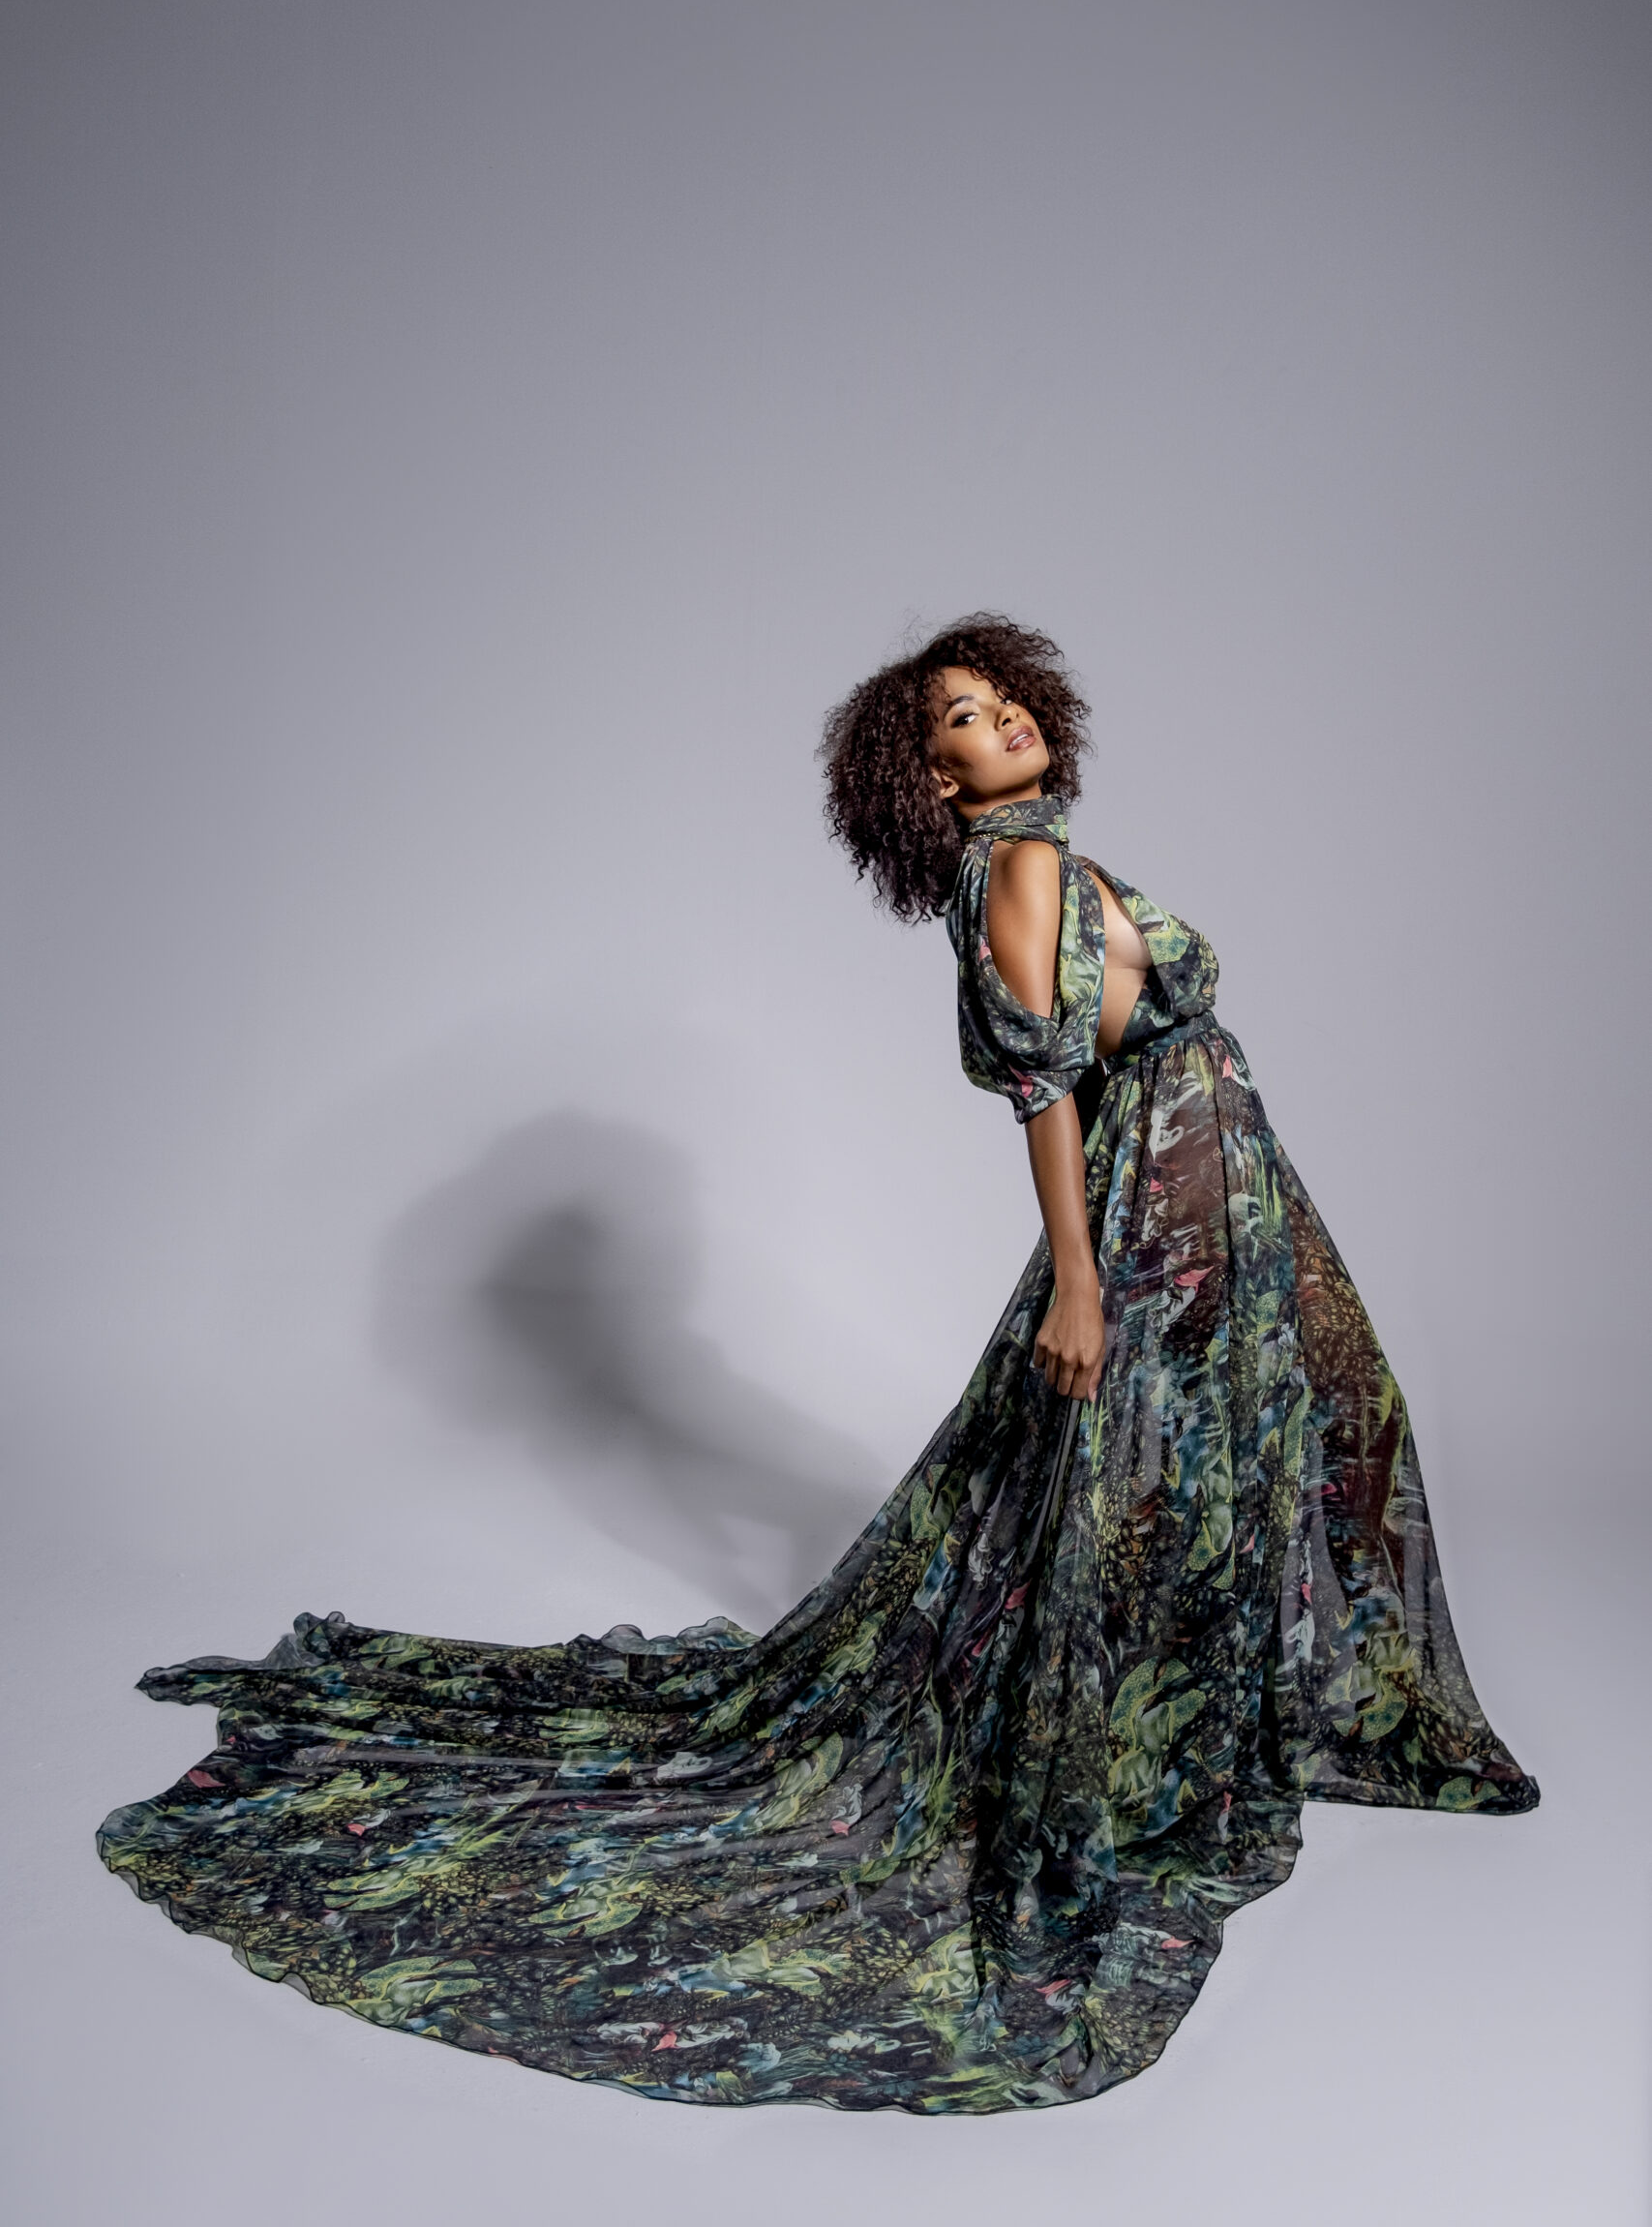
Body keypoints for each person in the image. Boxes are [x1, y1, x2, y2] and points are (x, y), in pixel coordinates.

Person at [98, 614, 1538, 2113]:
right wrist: (1079, 1279)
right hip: (1160, 1205)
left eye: (1003, 698)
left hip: (1208, 1183)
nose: (1002, 719)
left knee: (1192, 1470)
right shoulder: (1018, 872)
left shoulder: (1041, 858)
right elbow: (1047, 1090)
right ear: (936, 782)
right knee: (1147, 1484)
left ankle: (1188, 1736)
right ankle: (1141, 1766)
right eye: (964, 718)